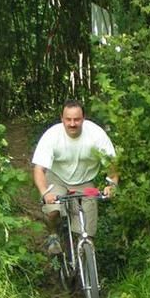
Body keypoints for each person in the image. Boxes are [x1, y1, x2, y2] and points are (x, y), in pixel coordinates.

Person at [32, 100, 118, 254]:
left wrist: (112, 185)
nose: (72, 123)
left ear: (83, 118)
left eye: (76, 119)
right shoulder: (52, 136)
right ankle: (53, 235)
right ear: (62, 119)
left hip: (85, 184)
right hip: (57, 179)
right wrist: (45, 193)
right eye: (68, 119)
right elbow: (39, 169)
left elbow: (112, 163)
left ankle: (85, 265)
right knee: (53, 211)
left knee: (88, 232)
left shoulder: (96, 135)